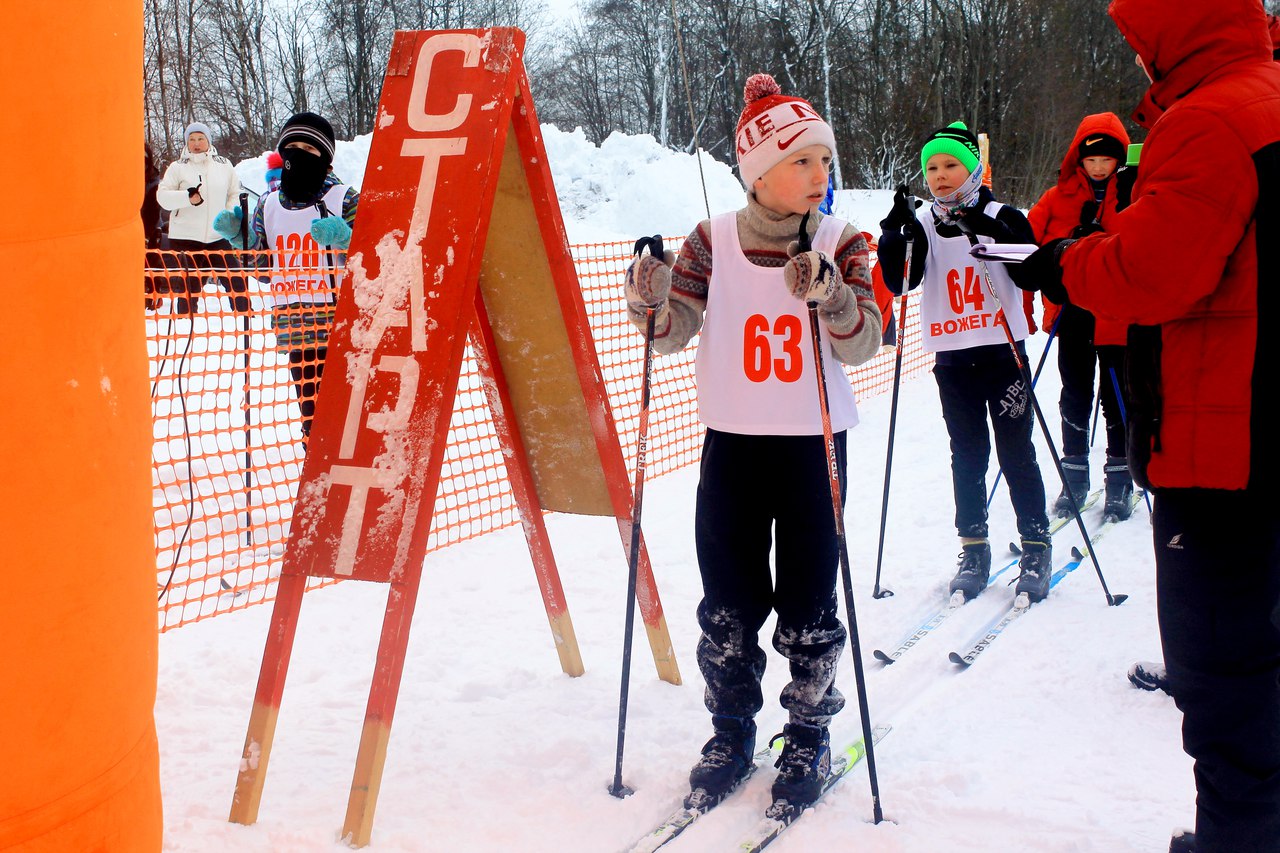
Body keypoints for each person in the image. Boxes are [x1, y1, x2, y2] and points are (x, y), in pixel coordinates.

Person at [1018, 2, 1280, 850]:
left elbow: (1153, 269)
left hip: (1226, 448)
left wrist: (1067, 264)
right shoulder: (1265, 93)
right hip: (1249, 426)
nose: (1134, 59)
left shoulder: (1209, 118)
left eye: (1138, 41)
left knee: (1226, 679)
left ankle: (1238, 835)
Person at [623, 73, 882, 810]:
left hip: (813, 446)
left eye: (825, 162)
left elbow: (866, 342)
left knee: (807, 598)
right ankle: (731, 727)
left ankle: (806, 730)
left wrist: (831, 295)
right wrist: (649, 294)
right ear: (759, 170)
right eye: (804, 161)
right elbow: (670, 332)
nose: (820, 175)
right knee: (729, 600)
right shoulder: (712, 239)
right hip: (733, 445)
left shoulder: (842, 239)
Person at [877, 122, 1052, 604]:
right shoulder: (925, 224)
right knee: (968, 454)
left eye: (951, 165)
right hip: (953, 357)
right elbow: (900, 282)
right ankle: (974, 548)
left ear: (974, 168)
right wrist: (894, 234)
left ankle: (1036, 544)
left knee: (1016, 450)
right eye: (931, 167)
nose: (940, 176)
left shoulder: (1003, 212)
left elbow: (1033, 270)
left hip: (1003, 352)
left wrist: (987, 229)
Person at [215, 112, 358, 443]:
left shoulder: (344, 198)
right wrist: (242, 240)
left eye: (307, 149)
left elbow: (378, 259)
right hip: (295, 327)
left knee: (346, 417)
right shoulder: (268, 204)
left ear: (325, 156)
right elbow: (264, 269)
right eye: (290, 147)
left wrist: (346, 239)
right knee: (314, 419)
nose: (297, 155)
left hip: (343, 328)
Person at [1026, 113, 1135, 521]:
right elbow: (1026, 242)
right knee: (1074, 391)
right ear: (1079, 160)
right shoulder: (1057, 197)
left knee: (1115, 397)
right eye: (1091, 161)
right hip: (1071, 311)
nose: (1099, 168)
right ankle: (1074, 475)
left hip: (1115, 314)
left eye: (1107, 160)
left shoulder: (1133, 191)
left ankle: (1121, 477)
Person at [156, 122, 246, 313]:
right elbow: (162, 197)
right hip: (185, 237)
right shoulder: (177, 167)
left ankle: (247, 318)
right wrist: (187, 198)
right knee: (190, 285)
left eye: (200, 139)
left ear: (208, 141)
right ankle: (184, 324)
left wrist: (227, 215)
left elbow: (235, 192)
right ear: (187, 143)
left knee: (236, 280)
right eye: (192, 140)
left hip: (217, 235)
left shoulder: (224, 164)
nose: (196, 144)